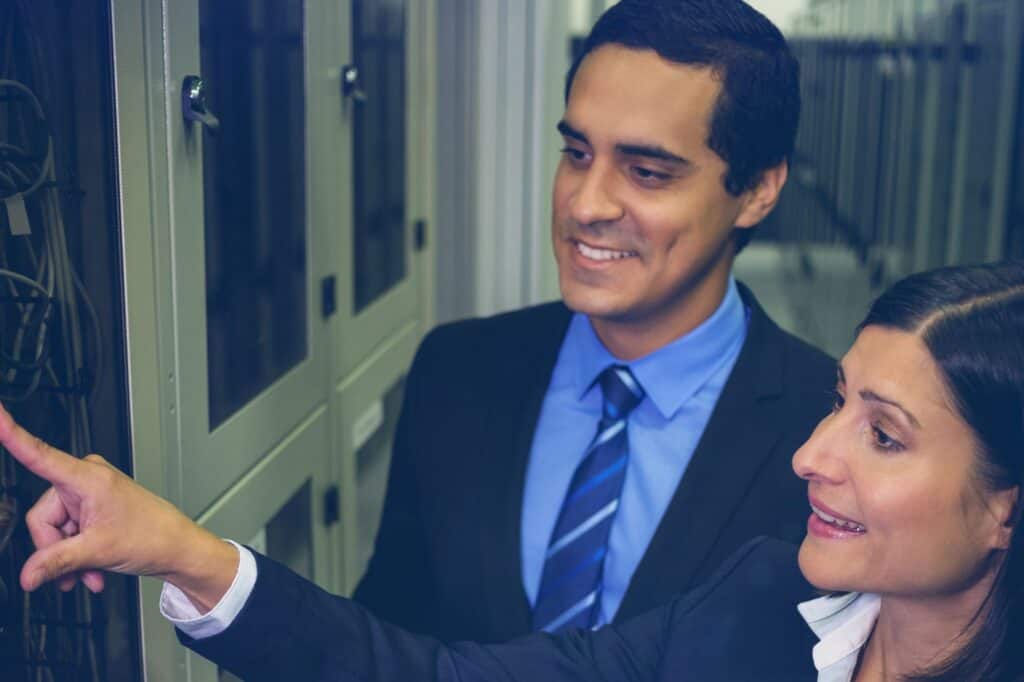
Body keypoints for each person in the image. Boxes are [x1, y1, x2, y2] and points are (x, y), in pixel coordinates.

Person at [5, 260, 1022, 681]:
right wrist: (182, 551)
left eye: (881, 434)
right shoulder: (762, 596)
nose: (812, 452)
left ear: (1002, 512)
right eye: (838, 402)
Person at [353, 0, 835, 642]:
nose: (585, 203)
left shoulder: (826, 432)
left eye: (647, 172)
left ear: (757, 192)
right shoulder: (457, 371)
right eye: (577, 153)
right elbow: (386, 634)